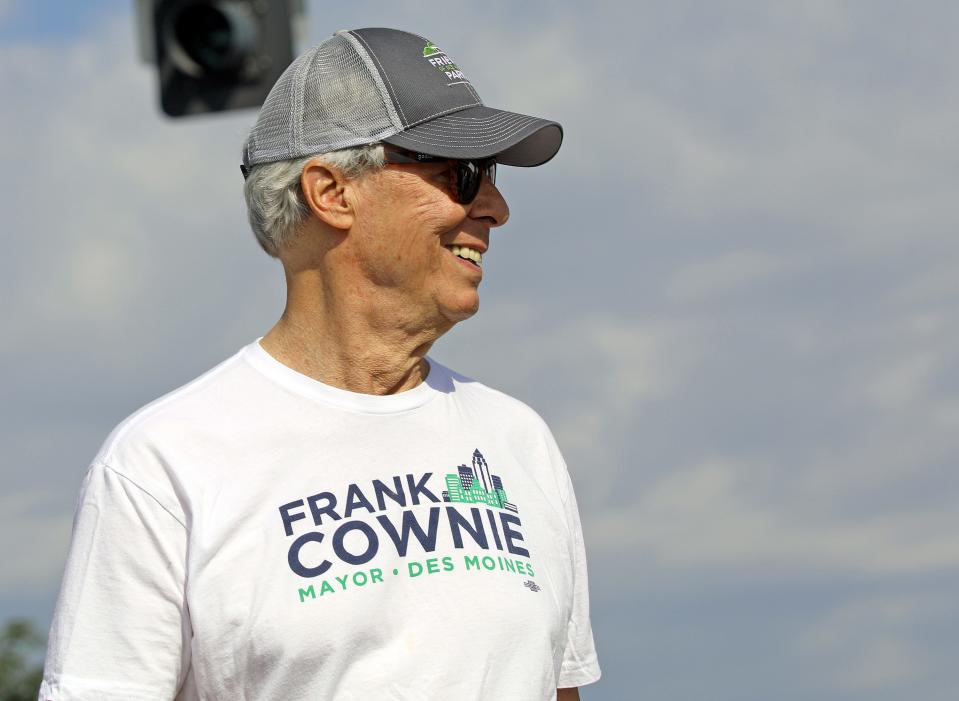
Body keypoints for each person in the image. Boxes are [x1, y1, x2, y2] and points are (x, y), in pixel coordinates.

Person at [39, 27, 601, 701]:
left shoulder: (518, 441)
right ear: (332, 192)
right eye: (462, 173)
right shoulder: (162, 464)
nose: (495, 208)